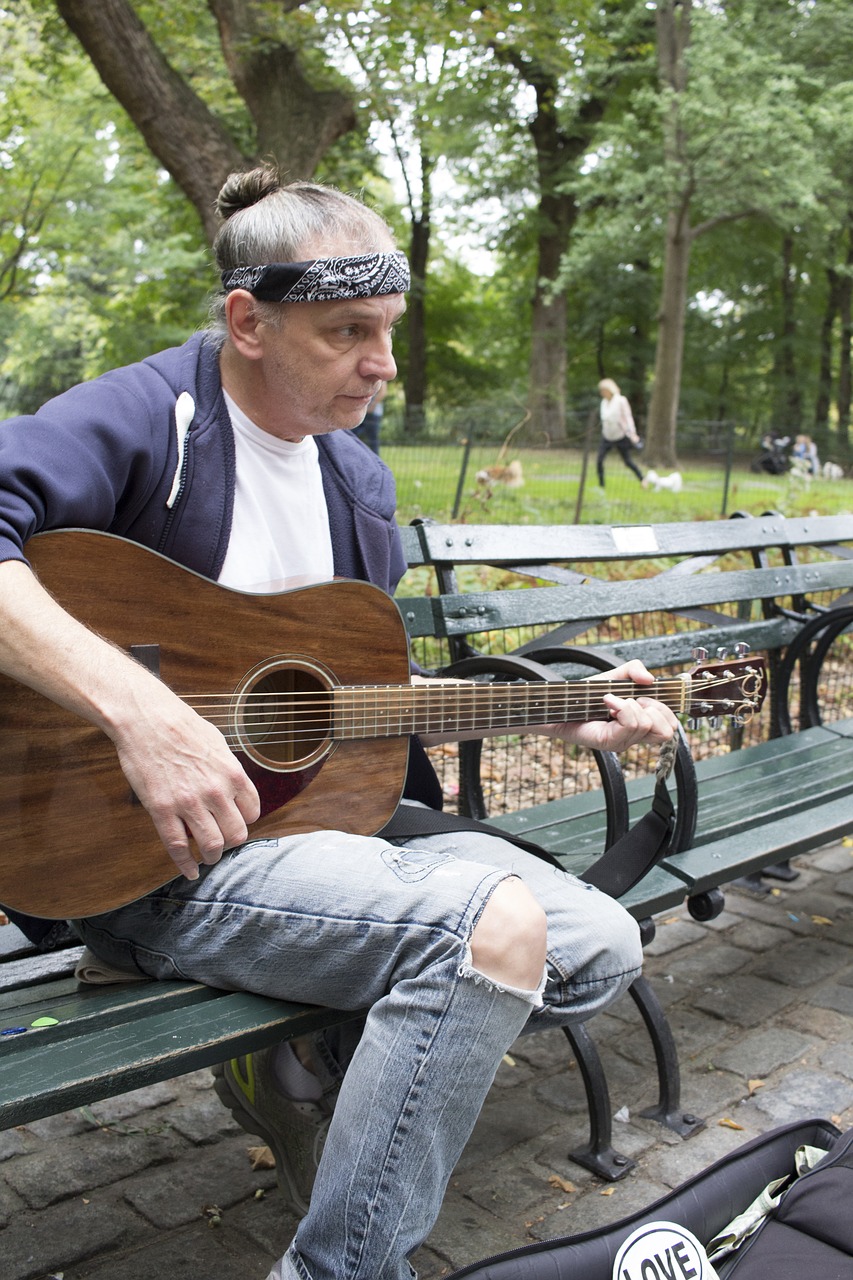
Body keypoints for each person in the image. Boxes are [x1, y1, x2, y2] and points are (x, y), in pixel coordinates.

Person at [0, 164, 677, 1280]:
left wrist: (557, 711)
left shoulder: (358, 487)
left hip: (317, 839)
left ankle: (308, 1027)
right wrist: (141, 714)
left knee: (602, 938)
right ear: (246, 322)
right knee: (486, 932)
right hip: (146, 853)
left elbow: (349, 708)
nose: (381, 362)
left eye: (389, 329)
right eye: (347, 330)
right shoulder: (150, 416)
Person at [596, 377, 644, 486]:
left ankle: (642, 479)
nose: (602, 393)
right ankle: (601, 485)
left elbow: (628, 417)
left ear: (610, 389)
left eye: (604, 390)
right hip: (607, 435)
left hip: (620, 435)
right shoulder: (603, 402)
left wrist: (633, 434)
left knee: (628, 461)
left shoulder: (621, 400)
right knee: (599, 460)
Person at [351, 378, 386, 454]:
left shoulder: (380, 375)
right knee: (353, 434)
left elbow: (383, 392)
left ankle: (375, 457)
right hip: (362, 411)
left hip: (373, 413)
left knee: (372, 438)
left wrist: (372, 405)